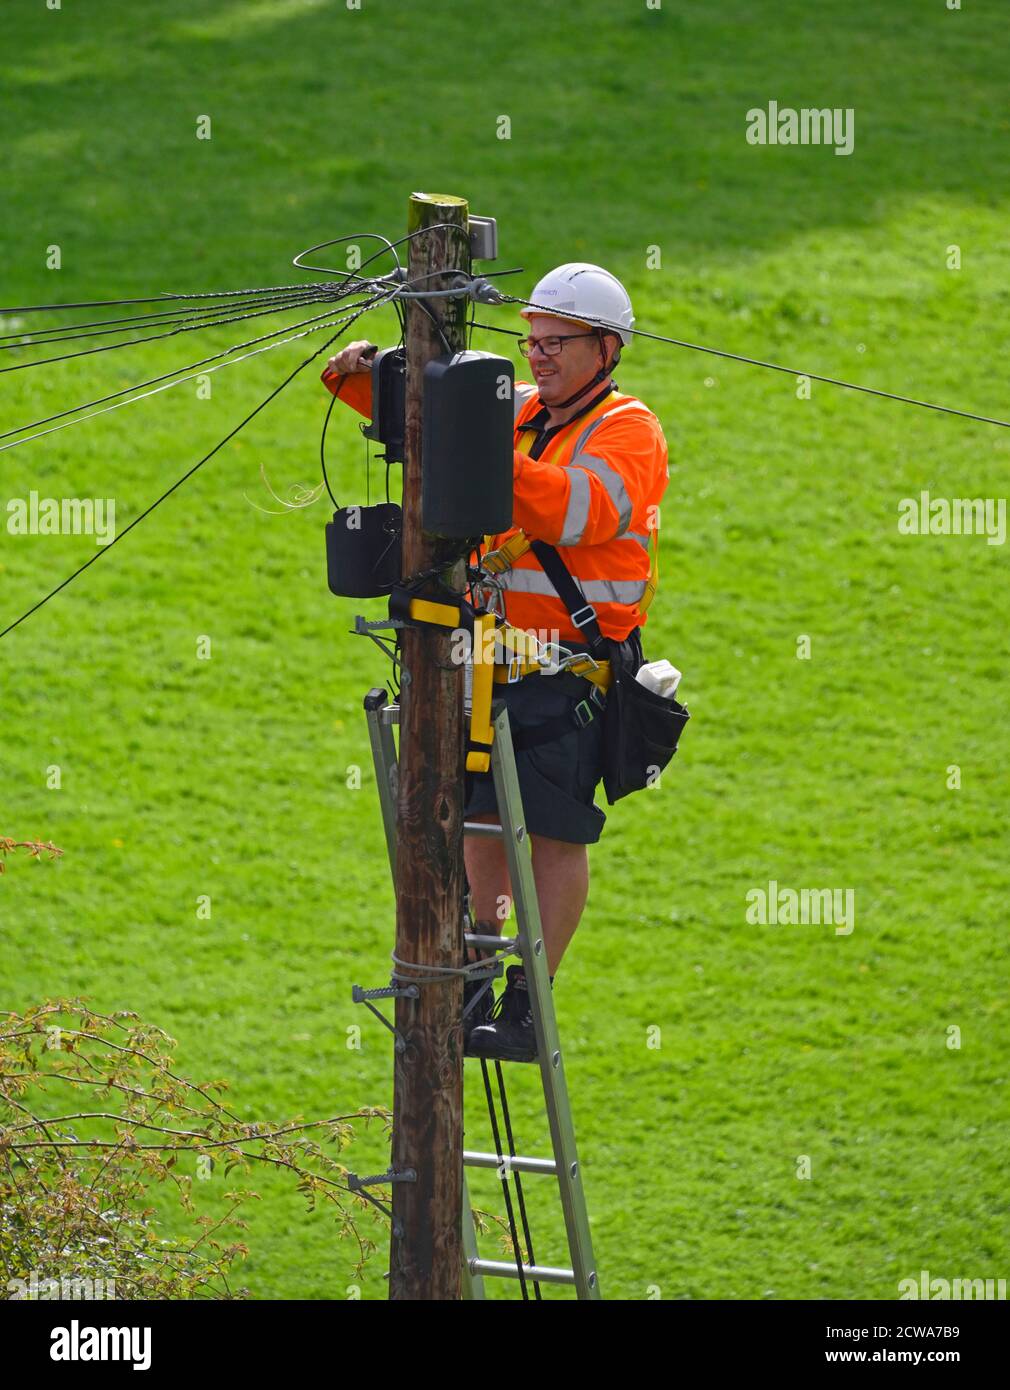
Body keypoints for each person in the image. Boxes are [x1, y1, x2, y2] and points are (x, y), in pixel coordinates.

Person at [323, 263, 669, 1062]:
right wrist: (364, 383)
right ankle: (478, 966)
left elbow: (565, 508)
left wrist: (469, 441)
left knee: (551, 834)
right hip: (485, 658)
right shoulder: (516, 414)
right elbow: (425, 427)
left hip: (568, 667)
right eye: (532, 339)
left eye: (556, 341)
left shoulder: (628, 430)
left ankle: (526, 1001)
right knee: (477, 816)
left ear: (606, 349)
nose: (538, 354)